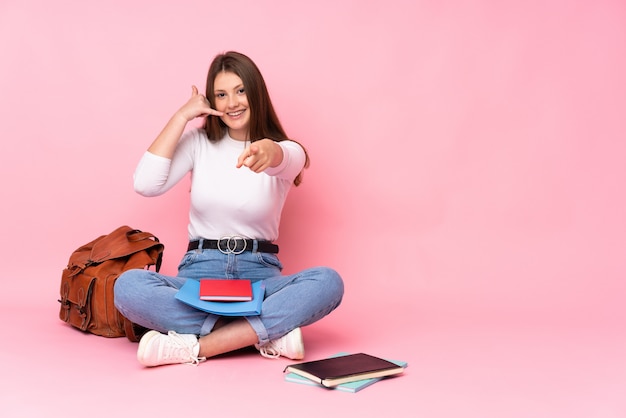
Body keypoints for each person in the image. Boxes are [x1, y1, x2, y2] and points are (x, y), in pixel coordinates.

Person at [114, 51, 344, 367]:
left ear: (256, 92)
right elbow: (145, 184)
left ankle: (197, 347)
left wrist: (271, 150)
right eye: (221, 94)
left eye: (240, 91)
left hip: (259, 277)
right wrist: (181, 117)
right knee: (128, 287)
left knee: (328, 282)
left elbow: (291, 157)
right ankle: (261, 333)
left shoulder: (282, 150)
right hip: (199, 273)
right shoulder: (198, 143)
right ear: (212, 100)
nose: (232, 102)